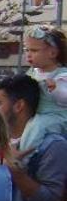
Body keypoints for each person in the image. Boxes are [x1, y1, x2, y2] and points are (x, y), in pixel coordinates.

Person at [20, 25, 67, 153]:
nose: (28, 54)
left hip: (56, 116)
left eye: (34, 51)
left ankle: (26, 156)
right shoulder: (32, 72)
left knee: (38, 126)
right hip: (36, 114)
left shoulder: (61, 74)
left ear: (53, 53)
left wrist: (56, 89)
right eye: (26, 50)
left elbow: (65, 98)